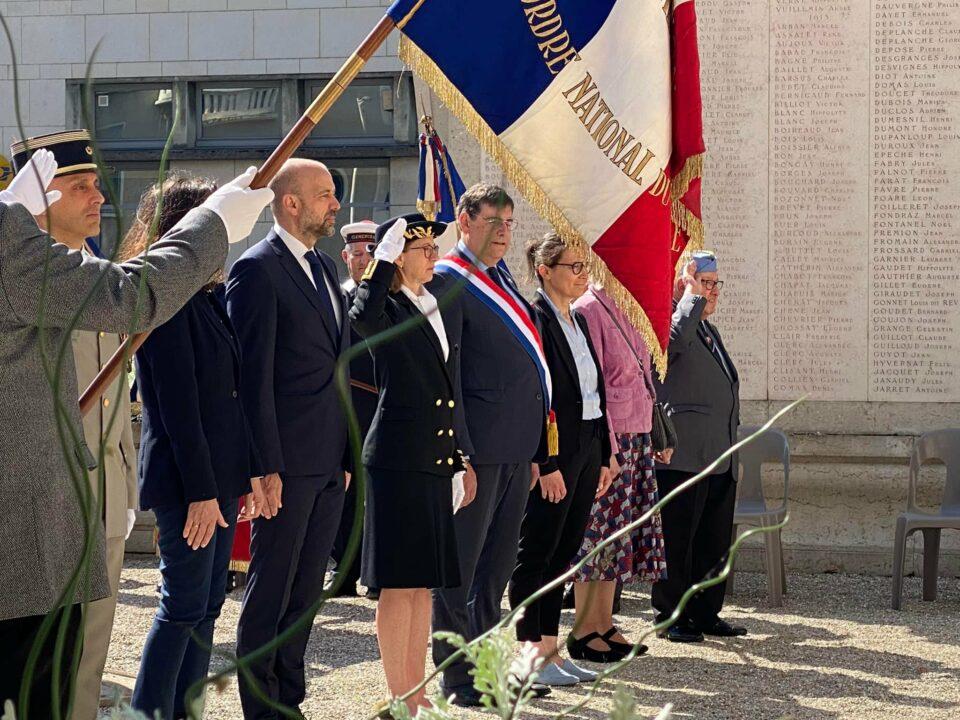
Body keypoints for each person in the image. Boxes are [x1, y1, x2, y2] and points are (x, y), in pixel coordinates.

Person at [0, 139, 272, 719]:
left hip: (69, 498)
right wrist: (214, 222)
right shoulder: (14, 244)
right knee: (43, 683)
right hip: (28, 513)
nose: (100, 198)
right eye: (81, 186)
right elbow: (132, 297)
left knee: (80, 664)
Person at [121, 175, 264, 720]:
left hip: (218, 482)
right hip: (188, 483)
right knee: (180, 607)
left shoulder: (204, 298)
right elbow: (180, 411)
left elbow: (231, 400)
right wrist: (205, 493)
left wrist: (241, 479)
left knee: (206, 606)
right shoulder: (169, 301)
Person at [10, 130, 138, 720]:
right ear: (39, 196)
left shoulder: (101, 273)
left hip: (106, 495)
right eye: (78, 186)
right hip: (50, 500)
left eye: (97, 185)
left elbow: (119, 401)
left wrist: (128, 485)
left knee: (90, 654)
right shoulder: (27, 280)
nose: (98, 198)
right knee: (41, 665)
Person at [227, 158, 350, 720]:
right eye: (325, 195)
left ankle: (288, 698)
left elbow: (340, 368)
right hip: (284, 464)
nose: (335, 205)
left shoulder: (325, 270)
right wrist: (263, 465)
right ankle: (260, 706)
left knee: (305, 593)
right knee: (270, 590)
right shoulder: (256, 269)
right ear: (291, 202)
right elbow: (252, 379)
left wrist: (347, 455)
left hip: (327, 462)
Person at [429, 184, 552, 706]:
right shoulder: (448, 281)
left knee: (496, 569)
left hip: (515, 450)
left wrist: (532, 452)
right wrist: (462, 455)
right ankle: (457, 676)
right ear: (465, 219)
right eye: (493, 220)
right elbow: (447, 378)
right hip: (478, 452)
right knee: (460, 568)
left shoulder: (501, 278)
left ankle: (486, 666)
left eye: (509, 222)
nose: (504, 231)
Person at [350, 214, 474, 715]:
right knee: (397, 584)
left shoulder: (429, 302)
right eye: (422, 248)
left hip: (433, 456)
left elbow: (443, 389)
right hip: (398, 459)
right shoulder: (388, 302)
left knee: (422, 583)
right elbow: (362, 316)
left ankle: (416, 689)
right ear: (399, 255)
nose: (433, 256)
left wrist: (459, 457)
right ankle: (397, 691)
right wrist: (381, 260)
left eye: (432, 248)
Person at [507, 234, 612, 686]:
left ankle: (552, 649)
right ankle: (530, 653)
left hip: (587, 442)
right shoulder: (537, 317)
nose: (583, 274)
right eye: (574, 266)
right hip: (556, 448)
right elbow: (535, 395)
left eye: (585, 265)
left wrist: (605, 453)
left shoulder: (579, 319)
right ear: (545, 270)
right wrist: (545, 461)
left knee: (566, 551)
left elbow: (595, 390)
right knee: (539, 551)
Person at [566, 282, 670, 662]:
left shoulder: (629, 305)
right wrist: (607, 447)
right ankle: (583, 629)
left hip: (636, 434)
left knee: (618, 536)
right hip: (612, 440)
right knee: (596, 538)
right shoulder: (589, 308)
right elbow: (594, 386)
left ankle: (604, 623)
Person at [651, 251, 746, 642]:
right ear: (682, 285)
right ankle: (671, 615)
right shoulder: (671, 321)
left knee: (712, 537)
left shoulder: (707, 328)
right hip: (684, 452)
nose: (712, 292)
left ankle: (706, 612)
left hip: (717, 452)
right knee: (679, 537)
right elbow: (671, 344)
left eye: (715, 284)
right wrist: (690, 297)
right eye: (704, 283)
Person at [331, 220, 380, 598]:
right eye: (357, 254)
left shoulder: (392, 299)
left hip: (388, 404)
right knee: (348, 492)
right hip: (351, 404)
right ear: (345, 257)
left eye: (370, 253)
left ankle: (379, 572)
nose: (364, 260)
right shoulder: (338, 299)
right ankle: (345, 571)